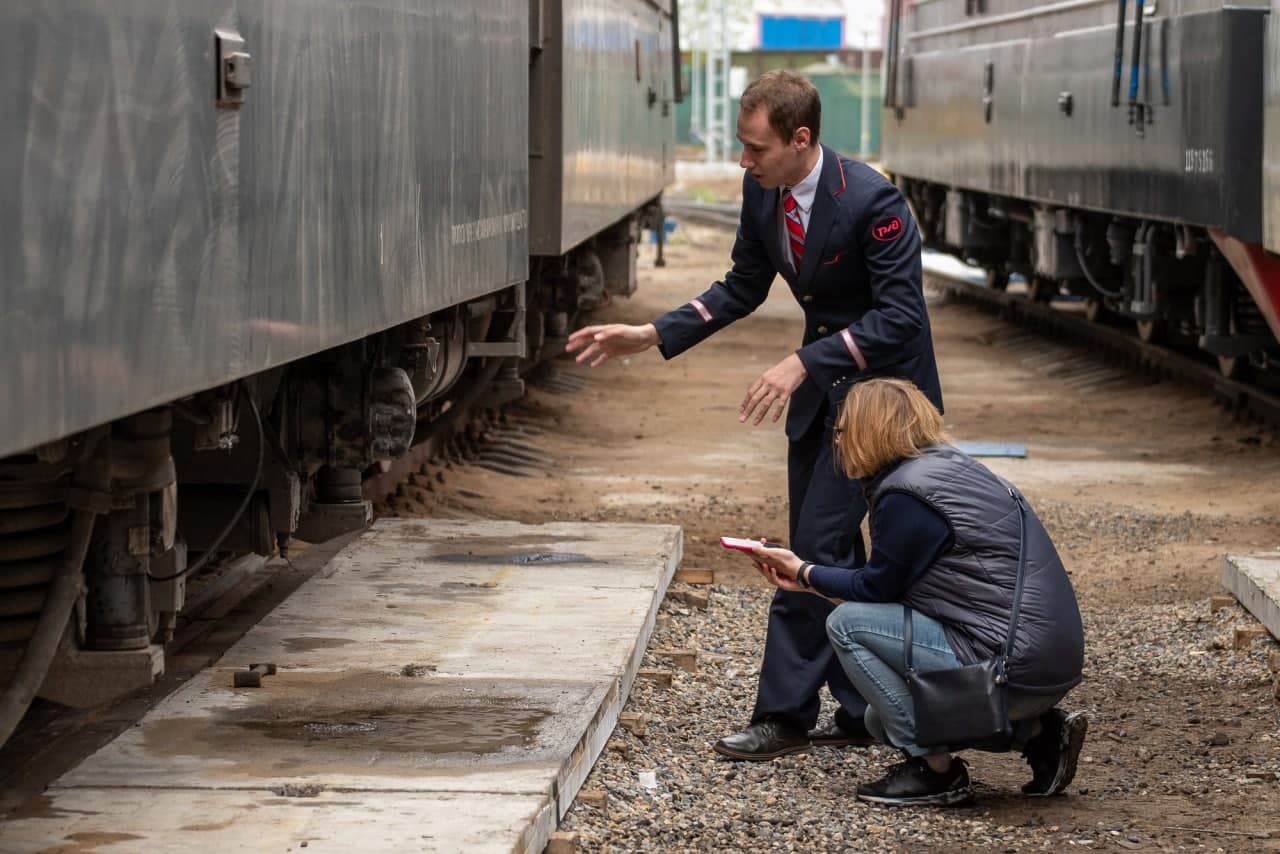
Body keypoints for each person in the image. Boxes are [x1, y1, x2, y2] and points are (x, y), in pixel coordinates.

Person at [566, 70, 943, 760]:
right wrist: (651, 334)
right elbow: (742, 285)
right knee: (833, 547)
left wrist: (807, 360)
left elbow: (901, 317)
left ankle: (785, 718)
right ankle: (862, 709)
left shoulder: (873, 201)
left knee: (816, 552)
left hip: (887, 402)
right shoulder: (762, 190)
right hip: (824, 397)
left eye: (756, 149)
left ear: (802, 140)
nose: (744, 162)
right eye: (743, 149)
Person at [743, 377, 1088, 806]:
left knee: (846, 626)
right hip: (1041, 662)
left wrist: (806, 571)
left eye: (842, 429)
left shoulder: (908, 493)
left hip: (1009, 668)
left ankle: (935, 771)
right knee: (878, 720)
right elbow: (892, 592)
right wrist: (809, 581)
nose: (837, 441)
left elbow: (875, 589)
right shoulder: (945, 470)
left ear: (871, 431)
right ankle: (1039, 734)